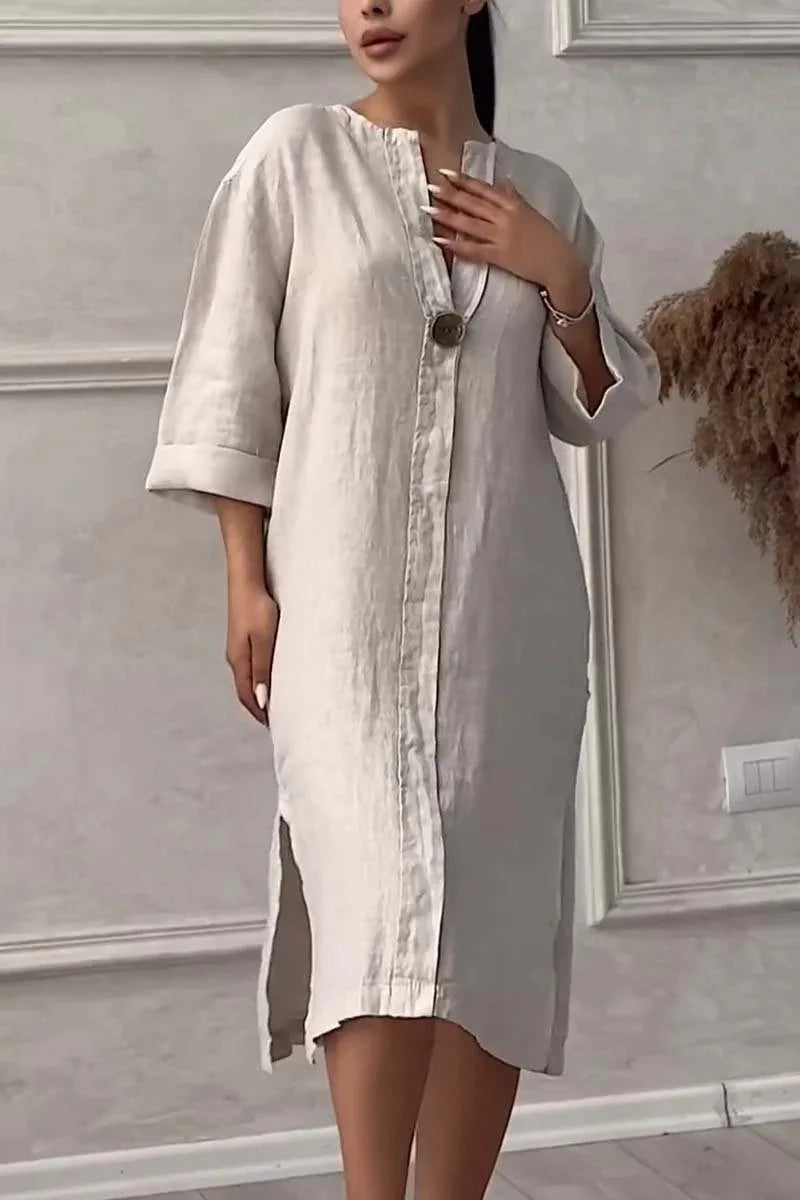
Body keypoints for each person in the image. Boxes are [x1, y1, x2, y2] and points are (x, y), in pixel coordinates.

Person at [144, 1, 661, 1196]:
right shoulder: (294, 157)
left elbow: (591, 408)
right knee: (373, 913)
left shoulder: (540, 190)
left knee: (488, 924)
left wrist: (558, 273)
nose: (368, 6)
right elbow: (230, 374)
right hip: (340, 619)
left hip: (505, 623)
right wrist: (244, 580)